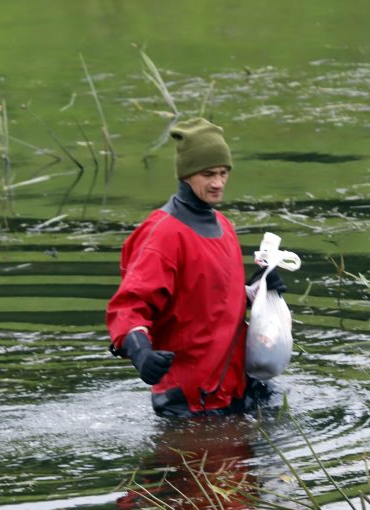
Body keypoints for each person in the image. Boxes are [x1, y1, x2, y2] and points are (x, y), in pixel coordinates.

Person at [106, 117, 284, 417]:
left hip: (236, 390)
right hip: (188, 403)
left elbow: (208, 300)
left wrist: (258, 291)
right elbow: (128, 308)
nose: (218, 183)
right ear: (187, 174)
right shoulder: (162, 234)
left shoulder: (224, 226)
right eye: (208, 174)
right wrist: (140, 353)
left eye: (223, 173)